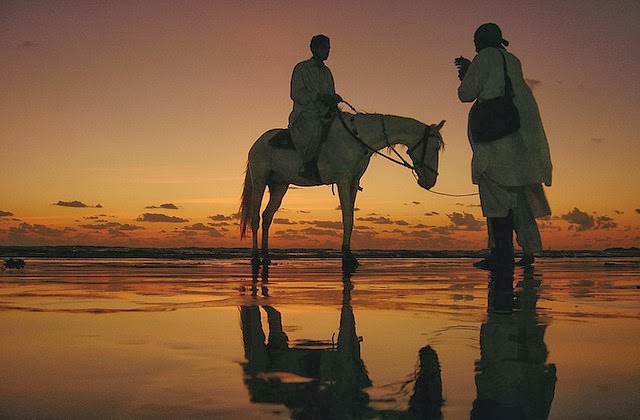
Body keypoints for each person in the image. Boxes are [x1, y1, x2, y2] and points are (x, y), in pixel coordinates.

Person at [455, 23, 552, 269]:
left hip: (497, 146)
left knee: (496, 198)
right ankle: (529, 251)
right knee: (519, 200)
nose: (475, 46)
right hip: (521, 147)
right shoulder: (512, 60)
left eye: (476, 41)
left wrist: (468, 72)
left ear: (480, 41)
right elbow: (497, 84)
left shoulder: (484, 57)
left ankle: (501, 254)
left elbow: (466, 94)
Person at [289, 34, 342, 179]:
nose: (328, 51)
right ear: (314, 49)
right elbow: (296, 93)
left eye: (329, 48)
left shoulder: (327, 72)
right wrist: (319, 97)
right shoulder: (301, 68)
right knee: (315, 126)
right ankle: (308, 165)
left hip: (326, 112)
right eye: (325, 48)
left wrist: (333, 99)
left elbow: (330, 93)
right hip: (306, 114)